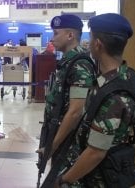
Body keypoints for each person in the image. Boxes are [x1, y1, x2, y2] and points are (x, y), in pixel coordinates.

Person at [54, 13, 135, 188]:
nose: (88, 42)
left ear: (98, 44)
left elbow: (95, 153)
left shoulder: (112, 94)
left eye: (91, 36)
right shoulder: (129, 76)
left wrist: (64, 180)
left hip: (96, 178)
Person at [37, 14, 96, 164]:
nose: (51, 38)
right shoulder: (68, 61)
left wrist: (52, 146)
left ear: (70, 35)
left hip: (70, 141)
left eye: (56, 33)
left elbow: (76, 111)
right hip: (61, 135)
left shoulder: (79, 64)